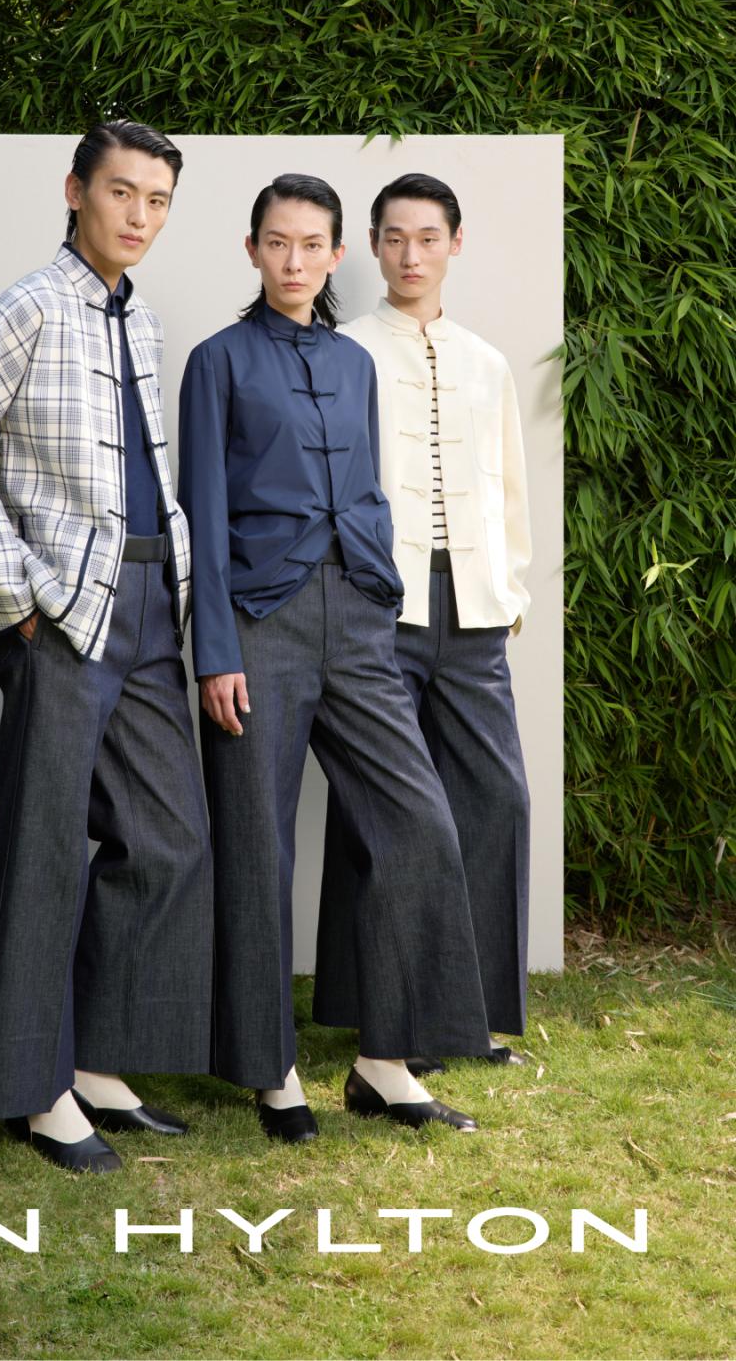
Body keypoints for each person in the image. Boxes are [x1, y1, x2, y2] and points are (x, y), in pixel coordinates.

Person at [0, 120, 213, 1172]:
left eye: (157, 199)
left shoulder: (144, 322)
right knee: (46, 851)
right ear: (75, 189)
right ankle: (37, 1093)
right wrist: (15, 601)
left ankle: (96, 1061)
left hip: (152, 604)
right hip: (63, 612)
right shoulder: (22, 308)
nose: (139, 214)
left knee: (169, 840)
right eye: (121, 191)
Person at [178, 173, 492, 1142]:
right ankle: (271, 1073)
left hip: (357, 621)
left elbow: (368, 490)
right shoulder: (217, 361)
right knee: (257, 848)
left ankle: (384, 1062)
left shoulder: (353, 363)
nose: (295, 261)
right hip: (257, 629)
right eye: (277, 243)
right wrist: (215, 652)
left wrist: (381, 591)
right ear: (252, 250)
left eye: (312, 244)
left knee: (417, 825)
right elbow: (203, 513)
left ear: (336, 255)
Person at [315, 172, 532, 1071]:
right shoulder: (345, 353)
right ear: (372, 245)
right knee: (381, 815)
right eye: (395, 238)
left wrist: (510, 592)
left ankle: (468, 1019)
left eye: (428, 237)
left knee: (496, 802)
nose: (412, 255)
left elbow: (510, 489)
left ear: (455, 243)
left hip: (473, 609)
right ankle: (386, 1021)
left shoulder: (485, 362)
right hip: (380, 606)